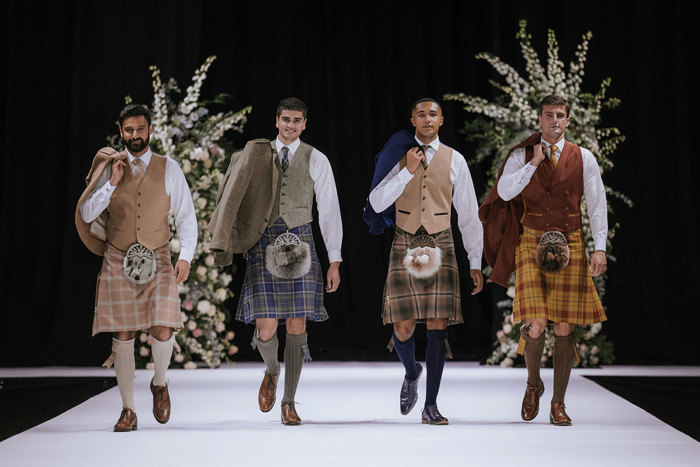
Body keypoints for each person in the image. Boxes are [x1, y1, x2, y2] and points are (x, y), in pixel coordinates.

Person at [209, 97, 342, 425]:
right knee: (266, 328)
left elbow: (329, 211)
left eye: (297, 120)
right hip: (263, 242)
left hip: (301, 242)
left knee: (297, 324)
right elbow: (230, 197)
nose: (290, 125)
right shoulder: (255, 155)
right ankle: (271, 371)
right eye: (285, 119)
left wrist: (335, 259)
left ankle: (289, 402)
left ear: (304, 124)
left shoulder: (317, 159)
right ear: (276, 120)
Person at [75, 104, 197, 432]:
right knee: (123, 332)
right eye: (129, 130)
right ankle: (128, 410)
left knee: (163, 328)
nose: (135, 135)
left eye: (140, 129)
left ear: (150, 130)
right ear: (121, 132)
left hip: (157, 257)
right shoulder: (109, 169)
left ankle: (159, 383)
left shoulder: (168, 168)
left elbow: (186, 216)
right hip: (118, 258)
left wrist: (185, 256)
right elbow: (86, 214)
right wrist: (112, 183)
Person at [492, 94, 607, 426]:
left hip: (570, 243)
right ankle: (533, 386)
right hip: (531, 242)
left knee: (565, 324)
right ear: (539, 120)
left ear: (568, 121)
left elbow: (597, 205)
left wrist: (599, 246)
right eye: (548, 115)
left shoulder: (583, 157)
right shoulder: (521, 156)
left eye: (560, 115)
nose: (554, 120)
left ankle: (558, 402)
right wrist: (532, 164)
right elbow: (503, 193)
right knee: (537, 320)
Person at [368, 98, 483, 425]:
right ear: (413, 119)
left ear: (441, 120)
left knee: (437, 324)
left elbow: (470, 215)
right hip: (405, 241)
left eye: (433, 113)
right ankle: (411, 370)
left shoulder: (455, 160)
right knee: (402, 326)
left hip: (440, 243)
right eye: (421, 113)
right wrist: (406, 171)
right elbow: (376, 203)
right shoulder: (400, 156)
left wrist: (475, 259)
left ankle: (430, 405)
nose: (427, 118)